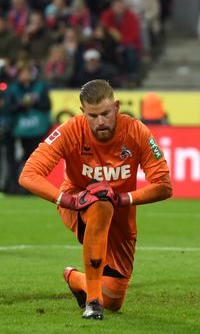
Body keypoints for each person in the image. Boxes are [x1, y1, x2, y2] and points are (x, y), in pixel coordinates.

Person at [18, 79, 173, 319]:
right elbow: (28, 176)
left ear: (117, 107)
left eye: (105, 113)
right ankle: (93, 302)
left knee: (114, 298)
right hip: (78, 203)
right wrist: (69, 201)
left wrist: (120, 199)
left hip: (121, 211)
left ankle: (75, 278)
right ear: (82, 112)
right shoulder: (70, 130)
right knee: (100, 201)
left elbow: (164, 186)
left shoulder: (136, 132)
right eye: (92, 116)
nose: (100, 121)